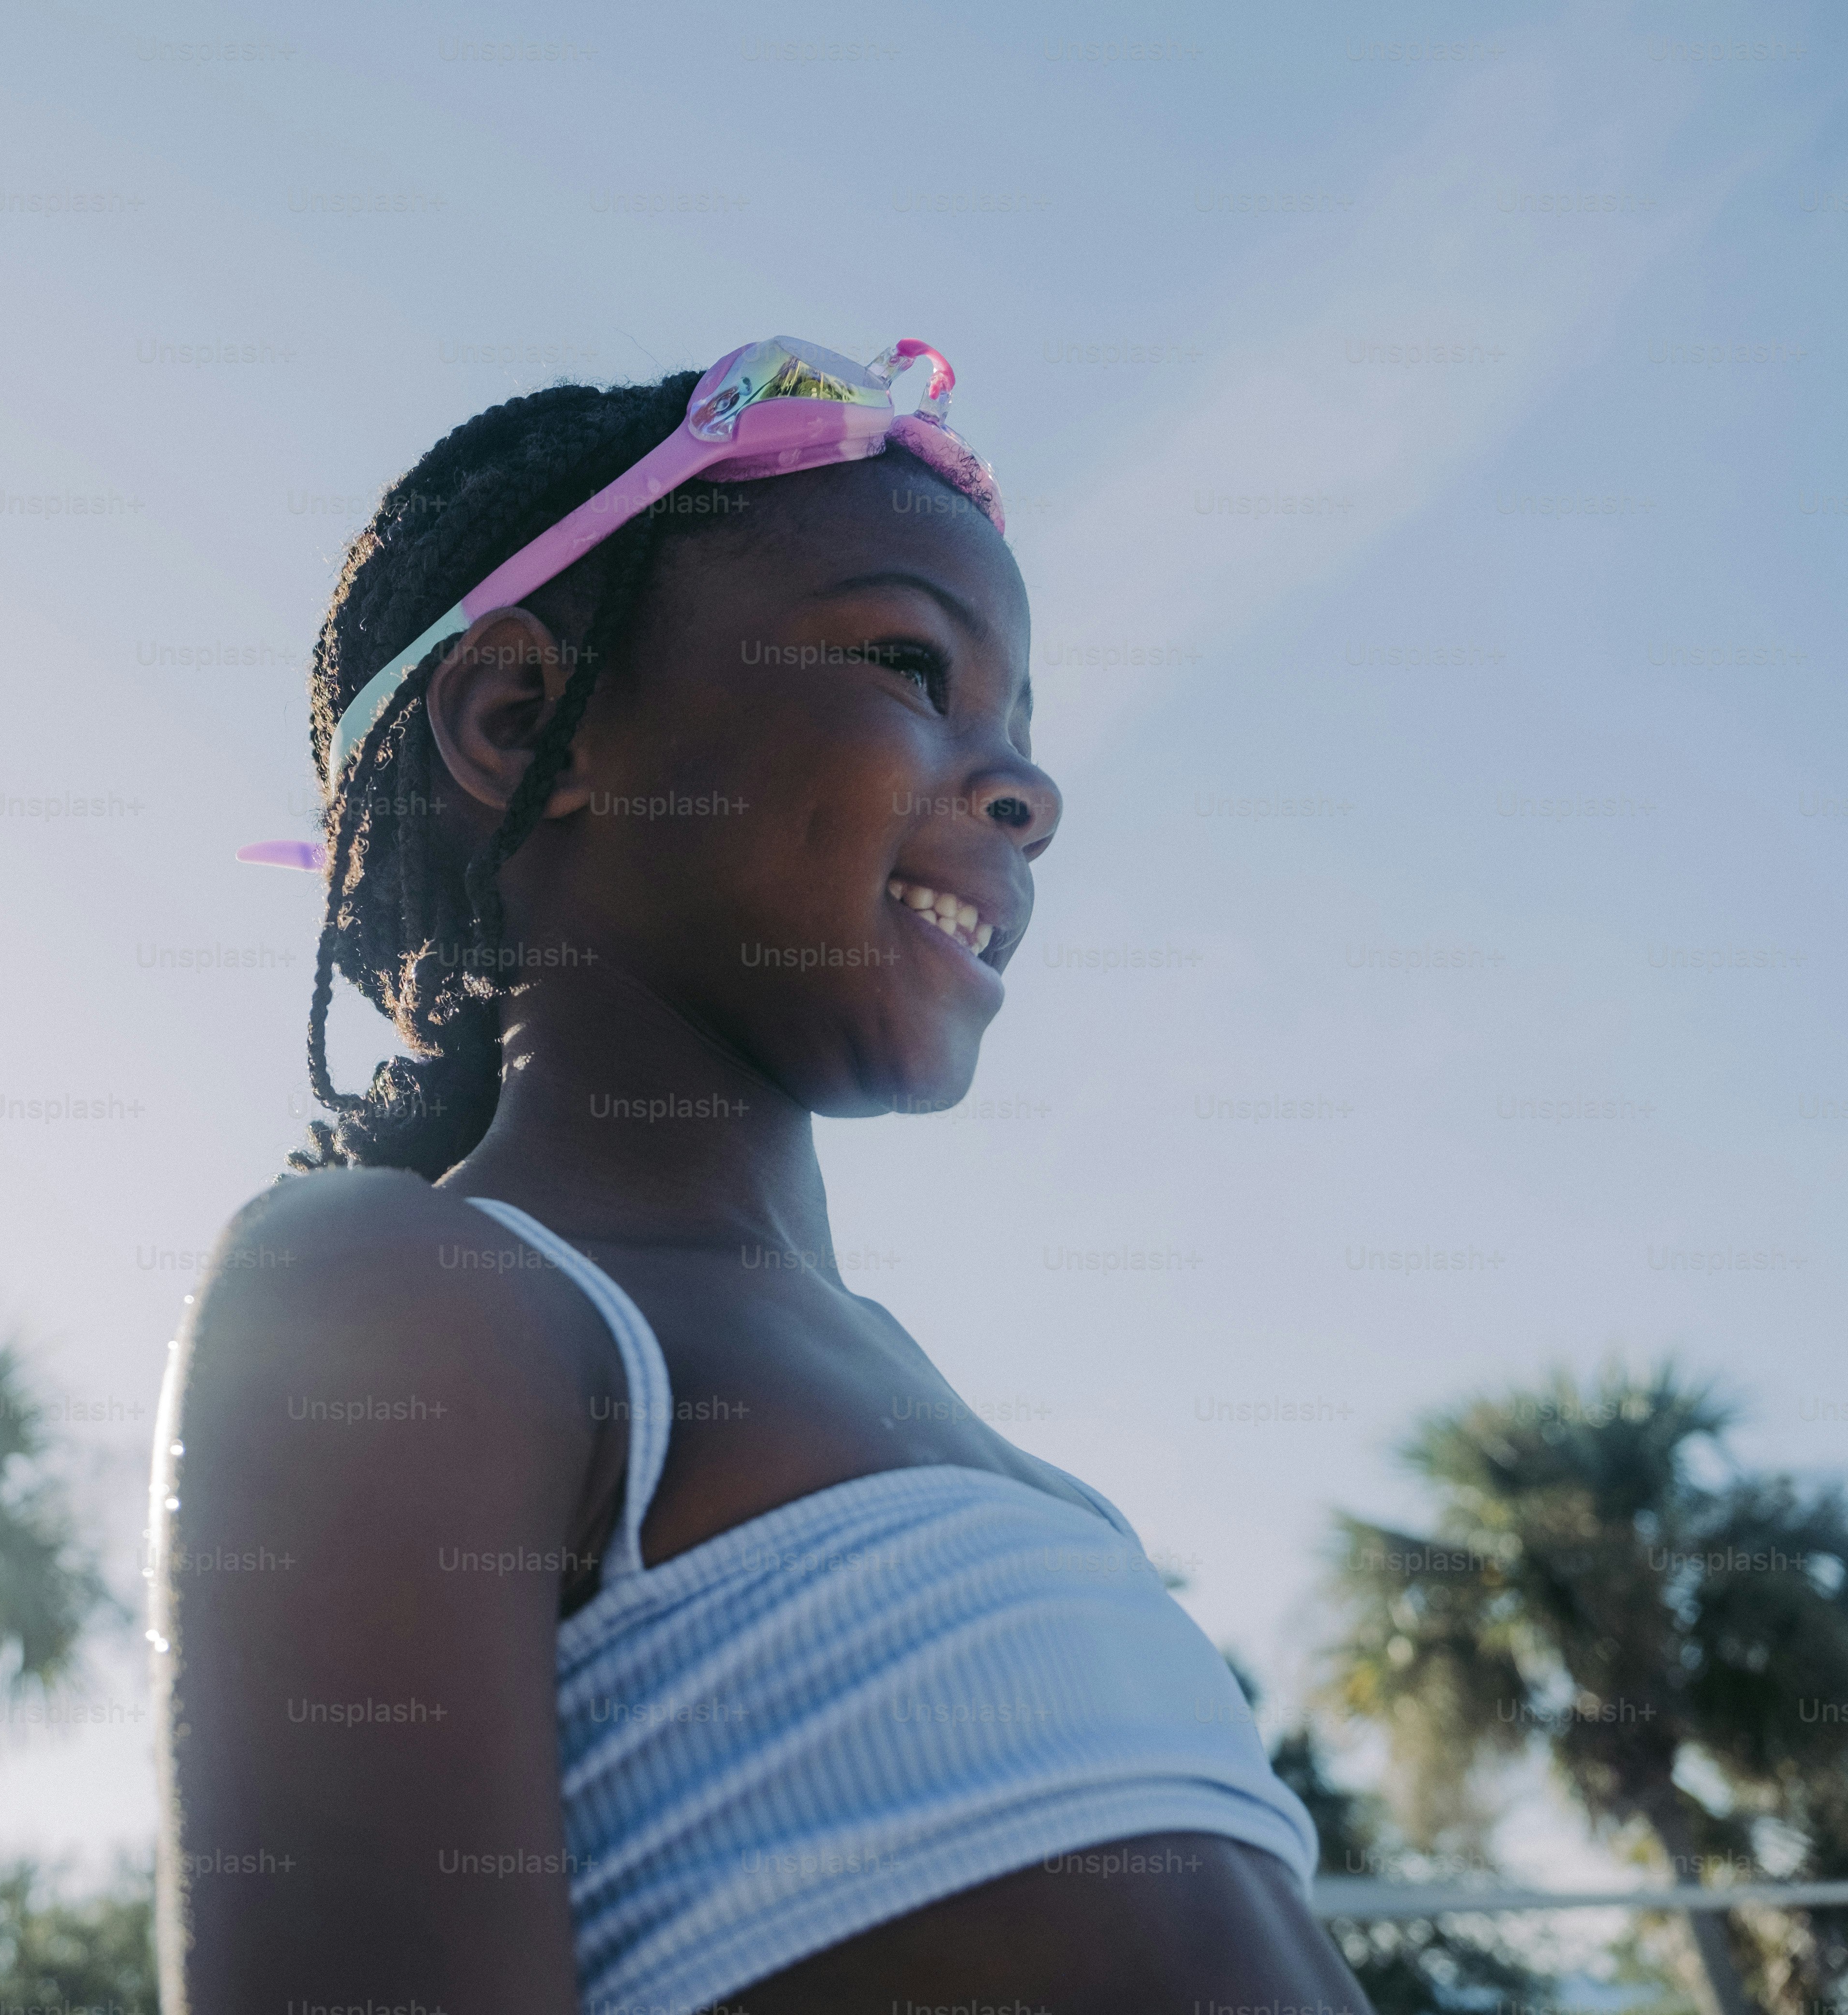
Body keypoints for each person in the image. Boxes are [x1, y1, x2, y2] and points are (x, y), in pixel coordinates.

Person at [149, 339, 1367, 2015]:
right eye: (911, 665)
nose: (1030, 789)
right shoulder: (411, 1298)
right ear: (521, 724)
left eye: (1022, 722)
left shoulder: (1048, 1496)